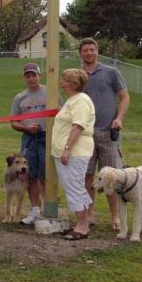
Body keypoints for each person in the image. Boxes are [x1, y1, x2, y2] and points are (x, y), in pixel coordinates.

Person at [79, 38, 130, 229]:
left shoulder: (111, 72)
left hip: (108, 133)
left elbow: (124, 98)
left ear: (97, 51)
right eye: (85, 50)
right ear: (80, 53)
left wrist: (120, 118)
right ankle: (89, 213)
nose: (89, 53)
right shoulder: (79, 75)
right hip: (85, 134)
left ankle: (115, 216)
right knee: (88, 176)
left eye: (92, 49)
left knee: (111, 177)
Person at [52, 69, 96, 240]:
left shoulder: (80, 101)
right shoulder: (72, 100)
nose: (61, 82)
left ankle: (82, 226)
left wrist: (67, 149)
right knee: (73, 186)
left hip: (75, 152)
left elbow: (78, 126)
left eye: (64, 79)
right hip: (68, 152)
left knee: (74, 187)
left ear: (72, 83)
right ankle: (82, 222)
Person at [10, 63, 47, 225]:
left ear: (40, 75)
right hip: (29, 140)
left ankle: (49, 208)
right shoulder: (20, 98)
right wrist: (26, 127)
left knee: (45, 175)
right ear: (24, 78)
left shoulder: (50, 93)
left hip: (47, 138)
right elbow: (13, 122)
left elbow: (60, 113)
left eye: (34, 75)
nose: (31, 79)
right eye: (28, 76)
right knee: (30, 175)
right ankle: (35, 211)